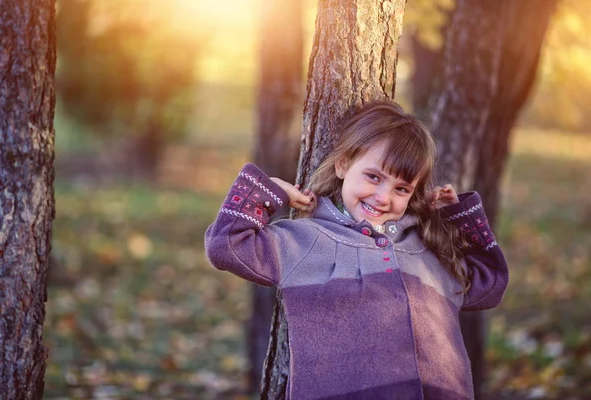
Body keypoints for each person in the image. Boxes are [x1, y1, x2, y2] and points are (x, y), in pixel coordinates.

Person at [205, 101, 508, 399]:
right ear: (343, 164)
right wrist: (270, 191)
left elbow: (490, 284)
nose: (383, 197)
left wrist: (456, 218)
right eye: (373, 177)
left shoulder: (426, 250)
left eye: (401, 188)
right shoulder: (308, 241)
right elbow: (227, 245)